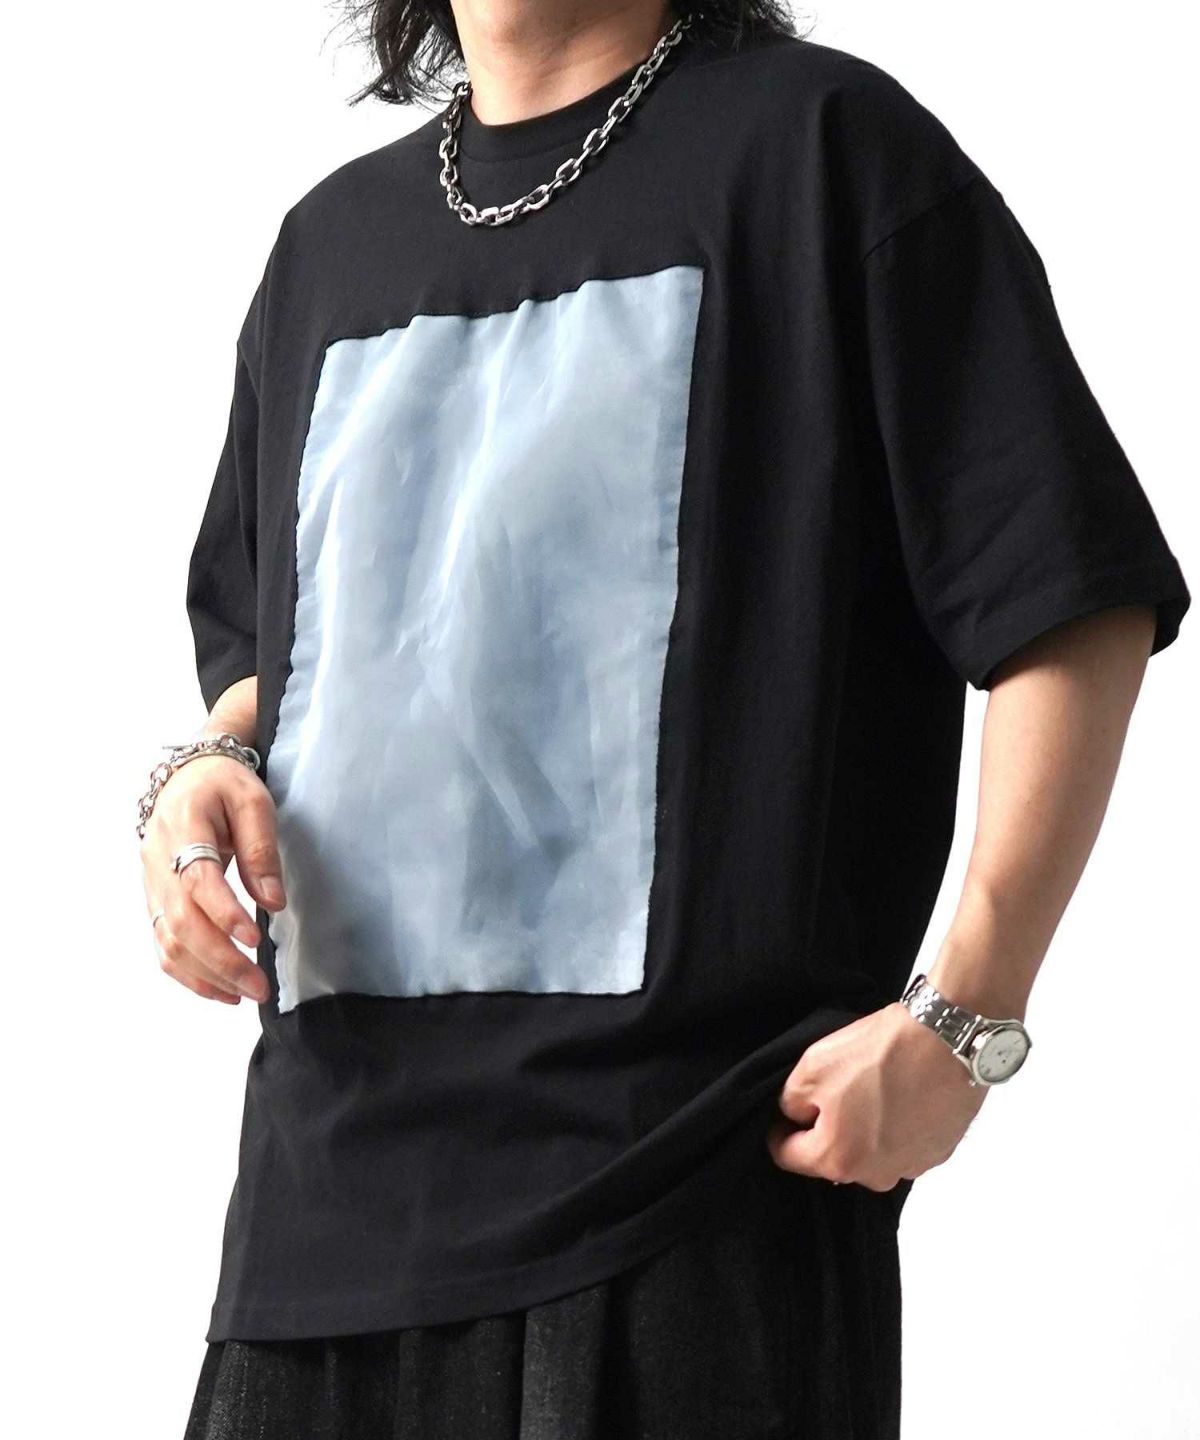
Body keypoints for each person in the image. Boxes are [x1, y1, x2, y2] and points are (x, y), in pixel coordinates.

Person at [137, 0, 1190, 1435]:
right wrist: (201, 775)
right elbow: (283, 665)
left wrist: (968, 1015)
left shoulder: (825, 152)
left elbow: (1065, 594)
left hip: (690, 1212)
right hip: (315, 1244)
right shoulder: (330, 245)